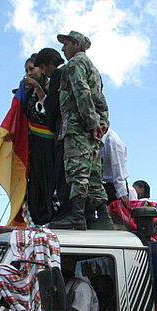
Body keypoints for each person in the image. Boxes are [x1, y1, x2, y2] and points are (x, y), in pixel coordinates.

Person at [57, 31, 111, 230]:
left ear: (76, 44)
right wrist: (102, 123)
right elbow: (101, 101)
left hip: (78, 127)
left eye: (66, 44)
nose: (63, 49)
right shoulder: (94, 69)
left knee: (78, 171)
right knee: (94, 175)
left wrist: (91, 123)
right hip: (92, 132)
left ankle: (77, 215)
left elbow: (82, 93)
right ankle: (104, 218)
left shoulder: (74, 65)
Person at [34, 47, 72, 228]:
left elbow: (52, 107)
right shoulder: (74, 70)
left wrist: (44, 95)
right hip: (75, 133)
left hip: (64, 132)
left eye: (43, 68)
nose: (44, 73)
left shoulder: (59, 74)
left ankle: (66, 213)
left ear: (49, 64)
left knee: (63, 175)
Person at [22, 54, 58, 225]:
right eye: (26, 71)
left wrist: (37, 87)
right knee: (34, 189)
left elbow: (50, 110)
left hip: (50, 145)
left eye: (31, 69)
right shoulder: (27, 93)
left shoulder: (53, 86)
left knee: (49, 186)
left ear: (41, 69)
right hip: (33, 147)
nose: (29, 74)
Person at [101, 129, 131, 209]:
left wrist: (122, 193)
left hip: (114, 187)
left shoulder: (113, 141)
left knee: (117, 218)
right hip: (101, 185)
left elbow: (117, 167)